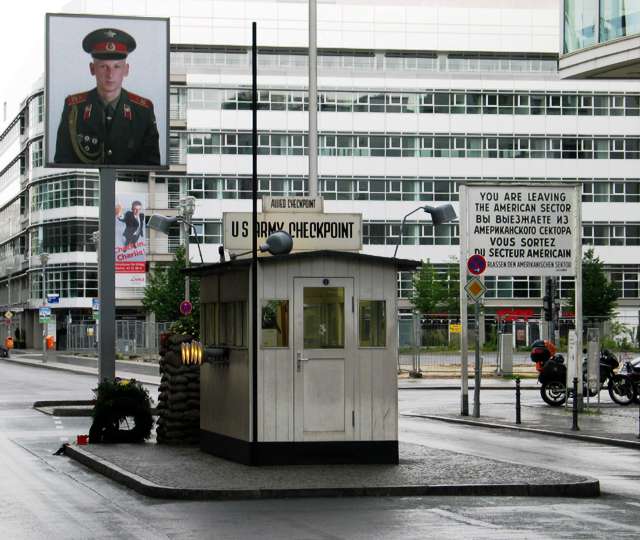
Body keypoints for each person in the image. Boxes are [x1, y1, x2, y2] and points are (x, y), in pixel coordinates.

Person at [54, 28, 160, 166]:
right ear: (92, 69)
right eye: (103, 66)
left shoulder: (143, 110)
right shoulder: (74, 108)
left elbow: (152, 167)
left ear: (126, 70)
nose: (110, 74)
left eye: (116, 66)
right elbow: (62, 163)